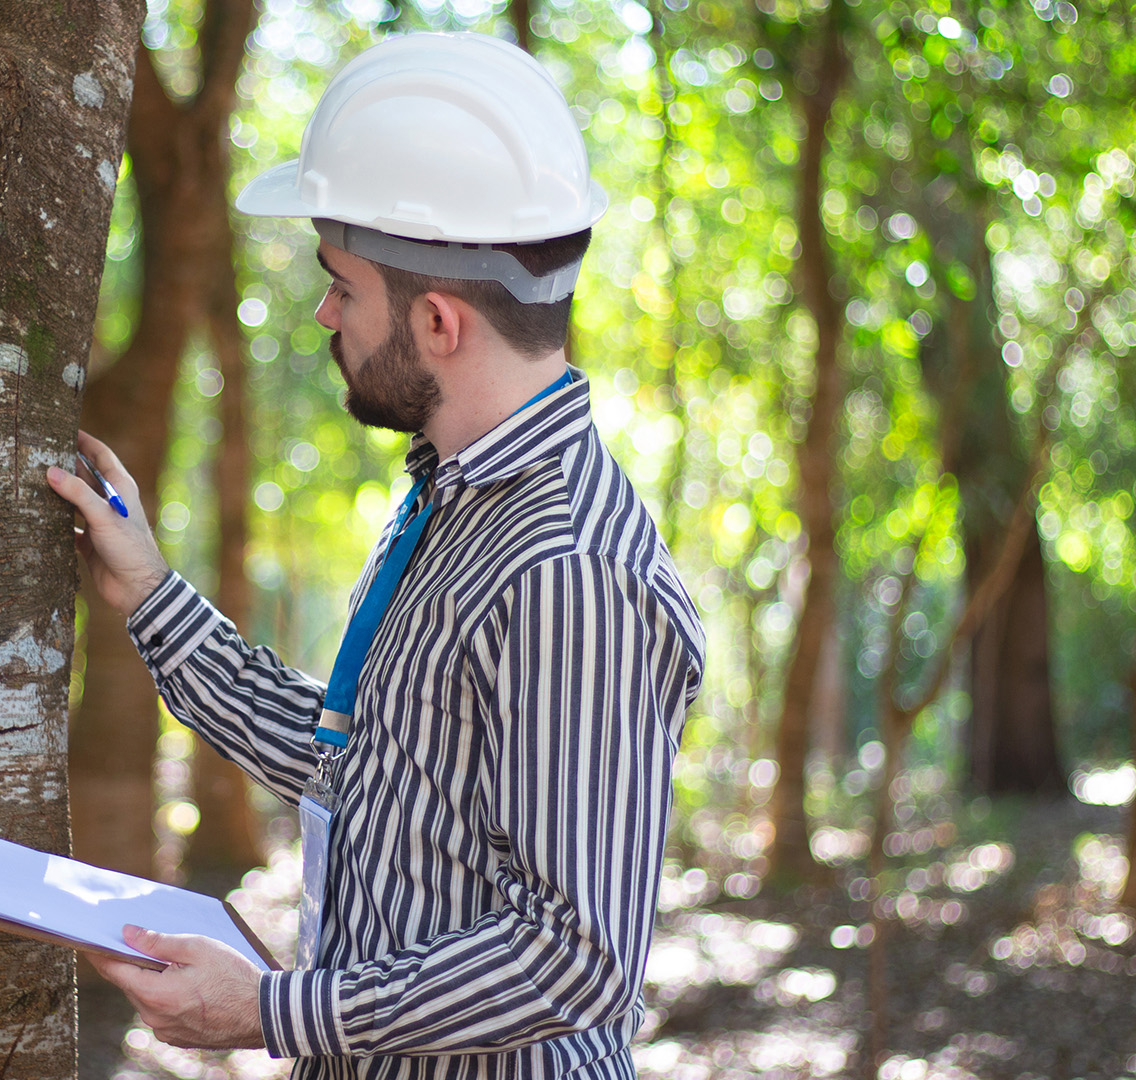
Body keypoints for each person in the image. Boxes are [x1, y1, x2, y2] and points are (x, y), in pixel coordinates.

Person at [45, 31, 705, 1080]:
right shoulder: (453, 498)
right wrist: (152, 595)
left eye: (343, 286)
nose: (325, 312)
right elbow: (362, 764)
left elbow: (578, 957)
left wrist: (274, 1009)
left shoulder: (569, 571)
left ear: (438, 320)